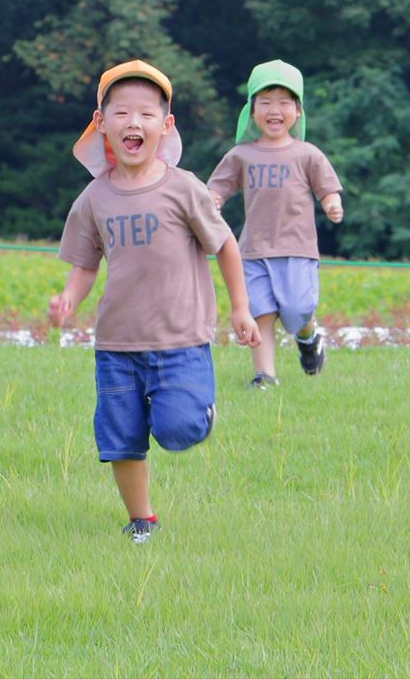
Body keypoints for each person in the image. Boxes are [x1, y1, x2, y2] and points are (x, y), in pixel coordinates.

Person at [49, 60, 260, 544]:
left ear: (164, 127)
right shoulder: (93, 199)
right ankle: (141, 519)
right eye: (121, 113)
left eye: (146, 114)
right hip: (116, 345)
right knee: (121, 438)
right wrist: (68, 298)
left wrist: (241, 309)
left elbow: (225, 245)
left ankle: (199, 413)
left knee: (176, 429)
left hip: (180, 341)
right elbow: (85, 264)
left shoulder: (183, 187)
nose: (133, 123)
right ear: (101, 123)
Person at [206, 59, 343, 389]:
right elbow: (219, 185)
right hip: (253, 250)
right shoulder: (243, 155)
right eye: (265, 102)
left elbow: (327, 186)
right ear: (252, 111)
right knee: (259, 312)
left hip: (297, 248)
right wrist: (213, 199)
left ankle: (308, 338)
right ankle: (264, 375)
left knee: (296, 312)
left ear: (297, 110)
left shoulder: (307, 154)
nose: (274, 110)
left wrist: (331, 203)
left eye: (284, 102)